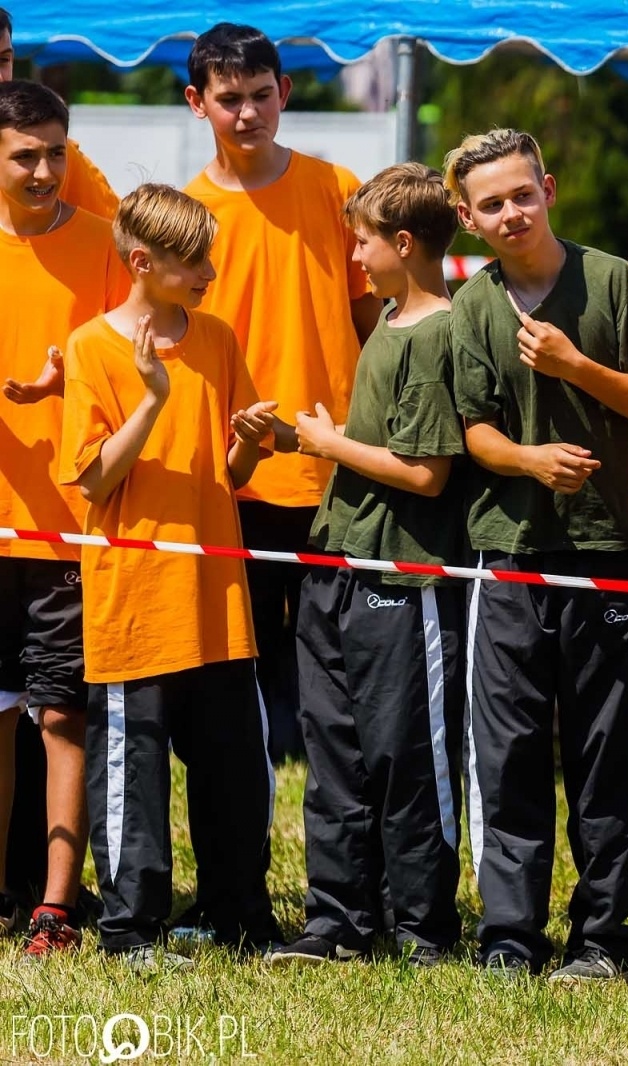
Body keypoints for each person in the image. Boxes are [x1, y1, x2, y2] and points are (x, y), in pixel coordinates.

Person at [446, 128, 628, 981]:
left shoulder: (614, 282)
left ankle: (604, 938)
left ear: (549, 187)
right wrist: (529, 459)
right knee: (504, 752)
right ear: (467, 218)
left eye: (522, 194)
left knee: (607, 751)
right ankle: (510, 934)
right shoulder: (472, 306)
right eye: (491, 204)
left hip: (613, 550)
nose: (511, 213)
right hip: (508, 555)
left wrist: (578, 366)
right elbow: (471, 431)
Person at [59, 183, 283, 970]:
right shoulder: (92, 347)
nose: (210, 275)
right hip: (134, 604)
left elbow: (230, 463)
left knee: (234, 773)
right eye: (195, 263)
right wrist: (151, 400)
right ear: (143, 262)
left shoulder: (217, 338)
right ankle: (130, 929)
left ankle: (237, 915)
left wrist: (255, 440)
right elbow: (90, 479)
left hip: (218, 600)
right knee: (134, 773)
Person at [265, 164, 466, 969]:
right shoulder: (387, 319)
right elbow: (376, 443)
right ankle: (338, 918)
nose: (354, 252)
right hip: (338, 561)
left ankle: (423, 927)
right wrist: (300, 436)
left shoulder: (438, 331)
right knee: (335, 751)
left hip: (402, 576)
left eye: (363, 239)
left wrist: (328, 443)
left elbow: (425, 473)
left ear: (404, 243)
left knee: (405, 756)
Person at [183, 23, 380, 767]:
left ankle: (345, 862)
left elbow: (377, 323)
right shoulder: (188, 215)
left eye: (261, 95)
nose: (247, 114)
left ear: (285, 93)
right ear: (196, 102)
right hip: (235, 477)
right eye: (229, 99)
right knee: (242, 687)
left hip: (338, 470)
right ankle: (245, 869)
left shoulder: (337, 190)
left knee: (342, 679)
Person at [0, 80, 125, 957]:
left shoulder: (105, 249)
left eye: (55, 151)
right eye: (24, 155)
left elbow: (133, 369)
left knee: (59, 716)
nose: (45, 170)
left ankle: (54, 906)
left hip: (71, 529)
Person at [0, 6, 121, 220]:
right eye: (24, 157)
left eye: (4, 61)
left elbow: (119, 237)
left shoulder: (53, 154)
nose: (1, 78)